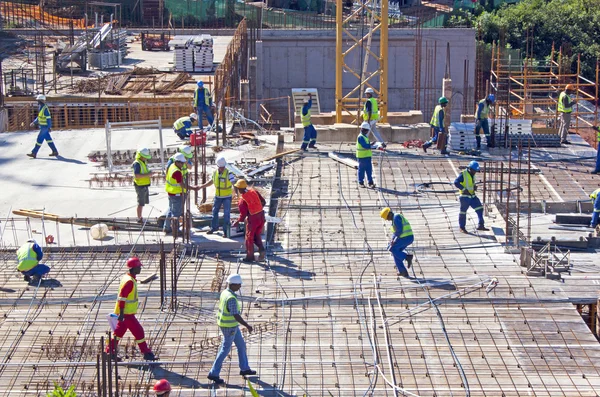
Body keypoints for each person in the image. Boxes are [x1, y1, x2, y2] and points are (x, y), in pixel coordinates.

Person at [207, 274, 256, 384]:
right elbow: (236, 315)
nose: (240, 287)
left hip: (230, 325)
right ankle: (213, 373)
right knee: (225, 350)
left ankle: (244, 368)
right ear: (233, 285)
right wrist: (247, 325)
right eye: (238, 285)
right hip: (229, 327)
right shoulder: (231, 298)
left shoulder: (225, 292)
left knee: (241, 345)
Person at [105, 257, 157, 361]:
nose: (140, 269)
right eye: (139, 267)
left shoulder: (128, 278)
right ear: (134, 268)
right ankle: (146, 352)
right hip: (127, 314)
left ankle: (109, 351)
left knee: (118, 333)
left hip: (125, 313)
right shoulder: (129, 282)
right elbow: (122, 298)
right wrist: (122, 312)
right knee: (139, 332)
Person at [199, 156, 236, 237]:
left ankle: (226, 231)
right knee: (214, 212)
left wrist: (237, 193)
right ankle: (214, 228)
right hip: (218, 196)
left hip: (227, 196)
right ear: (218, 166)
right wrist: (202, 186)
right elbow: (211, 181)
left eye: (223, 167)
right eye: (220, 167)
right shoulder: (215, 172)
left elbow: (234, 183)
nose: (222, 169)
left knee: (226, 214)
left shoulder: (229, 173)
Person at [164, 153, 200, 237]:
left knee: (170, 210)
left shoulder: (172, 166)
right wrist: (193, 188)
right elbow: (182, 185)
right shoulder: (177, 172)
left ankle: (167, 227)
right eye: (182, 163)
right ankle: (175, 231)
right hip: (176, 194)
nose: (183, 164)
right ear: (177, 162)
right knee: (176, 213)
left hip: (171, 193)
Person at [232, 179, 266, 262]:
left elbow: (243, 215)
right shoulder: (254, 192)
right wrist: (257, 209)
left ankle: (250, 257)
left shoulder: (242, 200)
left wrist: (236, 222)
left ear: (239, 189)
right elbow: (263, 202)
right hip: (261, 216)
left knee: (249, 238)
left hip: (253, 220)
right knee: (256, 235)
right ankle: (262, 250)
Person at [454, 161, 489, 233]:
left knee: (479, 208)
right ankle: (462, 227)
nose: (475, 172)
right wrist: (463, 189)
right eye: (474, 170)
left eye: (476, 171)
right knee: (463, 212)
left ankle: (481, 225)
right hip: (464, 197)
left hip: (472, 196)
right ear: (470, 169)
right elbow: (456, 182)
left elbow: (469, 184)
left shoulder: (473, 174)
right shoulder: (463, 174)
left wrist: (474, 187)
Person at [380, 207, 413, 278]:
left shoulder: (396, 217)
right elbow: (396, 232)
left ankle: (407, 257)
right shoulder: (394, 220)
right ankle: (403, 271)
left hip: (406, 237)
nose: (387, 220)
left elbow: (399, 230)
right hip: (405, 238)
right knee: (395, 252)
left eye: (387, 218)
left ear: (388, 215)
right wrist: (392, 240)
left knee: (392, 249)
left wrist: (393, 240)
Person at [27, 94, 58, 158]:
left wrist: (49, 127)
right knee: (48, 139)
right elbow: (39, 117)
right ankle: (55, 151)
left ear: (41, 101)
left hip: (45, 127)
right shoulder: (41, 107)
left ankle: (34, 153)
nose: (37, 102)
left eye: (38, 101)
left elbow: (48, 118)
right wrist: (34, 122)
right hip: (43, 126)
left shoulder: (45, 108)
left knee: (39, 139)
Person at [132, 148, 153, 224]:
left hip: (144, 185)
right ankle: (139, 218)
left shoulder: (143, 162)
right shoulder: (137, 163)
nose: (146, 158)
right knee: (140, 203)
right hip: (140, 185)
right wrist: (148, 174)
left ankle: (140, 217)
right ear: (140, 155)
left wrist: (149, 173)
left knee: (143, 202)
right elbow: (137, 175)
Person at [356, 122, 379, 188]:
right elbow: (365, 146)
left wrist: (371, 144)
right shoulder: (360, 137)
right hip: (362, 156)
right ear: (364, 130)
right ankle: (361, 182)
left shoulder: (364, 136)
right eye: (367, 130)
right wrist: (373, 147)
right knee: (362, 170)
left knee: (369, 170)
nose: (367, 131)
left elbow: (366, 145)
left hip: (367, 156)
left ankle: (370, 183)